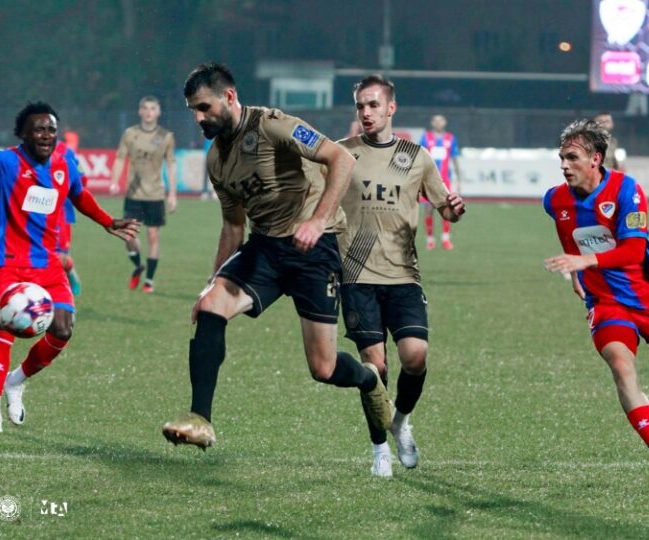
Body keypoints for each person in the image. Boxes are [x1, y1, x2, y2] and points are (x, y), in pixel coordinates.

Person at [161, 63, 393, 450]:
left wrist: (318, 222)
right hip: (266, 249)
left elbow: (341, 159)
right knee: (211, 307)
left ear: (229, 97)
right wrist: (210, 284)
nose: (198, 117)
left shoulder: (272, 125)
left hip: (314, 251)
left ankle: (368, 380)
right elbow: (233, 227)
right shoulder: (217, 159)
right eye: (192, 110)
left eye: (203, 107)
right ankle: (200, 418)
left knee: (324, 368)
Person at [543, 119, 649, 482]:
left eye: (571, 158)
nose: (563, 165)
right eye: (561, 158)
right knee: (621, 366)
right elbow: (570, 235)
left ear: (596, 159)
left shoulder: (627, 190)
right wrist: (576, 275)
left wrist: (584, 262)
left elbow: (632, 251)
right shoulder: (555, 200)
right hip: (605, 303)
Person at [0, 101, 139, 433]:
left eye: (51, 129)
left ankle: (15, 382)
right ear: (22, 134)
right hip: (7, 263)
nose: (46, 135)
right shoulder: (5, 162)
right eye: (39, 129)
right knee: (5, 329)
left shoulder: (63, 164)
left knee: (63, 329)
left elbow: (79, 194)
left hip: (47, 264)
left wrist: (107, 221)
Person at [337, 75, 466, 477]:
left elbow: (443, 205)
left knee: (415, 356)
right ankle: (379, 449)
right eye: (360, 106)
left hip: (404, 274)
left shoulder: (416, 156)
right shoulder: (341, 154)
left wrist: (453, 209)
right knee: (375, 370)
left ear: (391, 108)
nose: (366, 112)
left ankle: (401, 421)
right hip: (356, 274)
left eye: (373, 105)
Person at [109, 96, 177, 293]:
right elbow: (120, 158)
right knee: (128, 235)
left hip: (155, 195)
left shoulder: (166, 136)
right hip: (133, 193)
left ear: (158, 112)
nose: (148, 112)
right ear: (140, 111)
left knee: (153, 236)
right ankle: (138, 265)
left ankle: (149, 280)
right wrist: (114, 181)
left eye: (153, 108)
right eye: (145, 108)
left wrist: (172, 194)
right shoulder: (130, 134)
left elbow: (171, 165)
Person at [419, 114, 462, 250]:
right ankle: (430, 239)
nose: (438, 122)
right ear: (432, 123)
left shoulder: (450, 139)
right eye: (436, 120)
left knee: (447, 208)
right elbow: (419, 158)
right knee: (429, 209)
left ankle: (445, 239)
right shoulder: (425, 138)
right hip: (428, 181)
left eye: (441, 120)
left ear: (445, 122)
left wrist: (459, 179)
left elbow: (454, 159)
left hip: (445, 181)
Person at [54, 136, 83, 295]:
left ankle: (70, 274)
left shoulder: (66, 152)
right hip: (35, 210)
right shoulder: (26, 151)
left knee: (61, 256)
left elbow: (81, 179)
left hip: (61, 212)